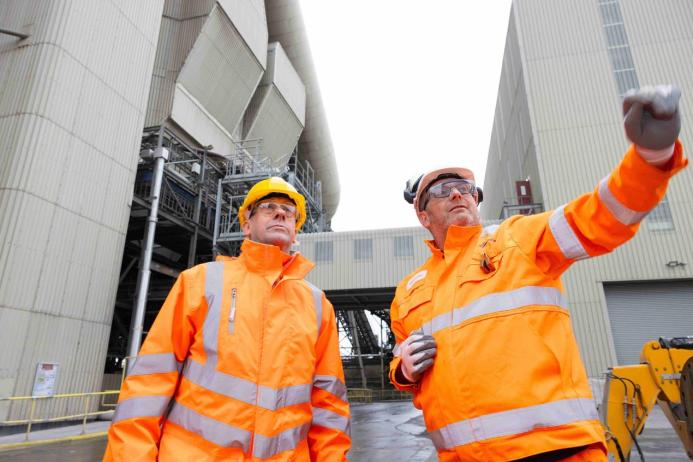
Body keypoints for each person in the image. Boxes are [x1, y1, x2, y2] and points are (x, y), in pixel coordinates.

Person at [389, 85, 687, 461]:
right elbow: (401, 364)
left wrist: (651, 157)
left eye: (467, 189)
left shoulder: (518, 238)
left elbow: (602, 217)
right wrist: (403, 371)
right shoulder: (408, 293)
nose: (459, 195)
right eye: (444, 189)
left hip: (557, 450)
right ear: (422, 215)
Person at [104, 177, 351, 461]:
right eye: (268, 207)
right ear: (247, 224)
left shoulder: (317, 306)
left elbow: (329, 406)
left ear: (295, 231)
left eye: (289, 210)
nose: (281, 213)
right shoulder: (199, 283)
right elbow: (149, 385)